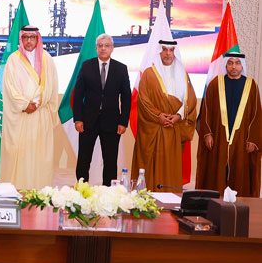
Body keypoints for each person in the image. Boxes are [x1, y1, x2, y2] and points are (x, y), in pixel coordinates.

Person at [0, 26, 59, 189]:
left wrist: (37, 103)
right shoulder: (13, 59)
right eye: (26, 37)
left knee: (39, 155)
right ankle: (16, 190)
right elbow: (10, 87)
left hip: (40, 114)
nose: (29, 41)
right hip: (21, 115)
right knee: (20, 154)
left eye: (33, 37)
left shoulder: (47, 59)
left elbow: (51, 85)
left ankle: (39, 190)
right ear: (21, 39)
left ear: (38, 39)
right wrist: (25, 104)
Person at [132, 39, 196, 190]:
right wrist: (158, 116)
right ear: (159, 52)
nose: (168, 53)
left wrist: (178, 116)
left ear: (175, 52)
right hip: (154, 128)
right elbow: (143, 100)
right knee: (150, 165)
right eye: (164, 50)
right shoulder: (149, 74)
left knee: (170, 166)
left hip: (174, 128)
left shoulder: (183, 74)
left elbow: (190, 100)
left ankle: (170, 196)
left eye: (171, 50)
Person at [196, 53, 262, 197]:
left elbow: (257, 115)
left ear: (242, 66)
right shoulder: (215, 84)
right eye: (230, 63)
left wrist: (252, 139)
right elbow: (206, 111)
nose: (234, 66)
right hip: (218, 140)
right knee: (217, 175)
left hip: (242, 141)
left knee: (239, 174)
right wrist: (207, 134)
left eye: (237, 63)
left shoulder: (251, 85)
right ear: (225, 65)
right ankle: (215, 205)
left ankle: (239, 206)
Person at [73, 33, 132, 185]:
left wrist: (123, 122)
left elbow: (126, 97)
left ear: (112, 48)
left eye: (107, 45)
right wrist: (78, 119)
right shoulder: (86, 66)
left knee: (110, 161)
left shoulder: (121, 68)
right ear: (96, 48)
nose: (103, 48)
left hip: (112, 122)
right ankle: (82, 190)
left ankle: (108, 193)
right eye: (100, 45)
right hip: (88, 121)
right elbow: (78, 95)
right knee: (84, 159)